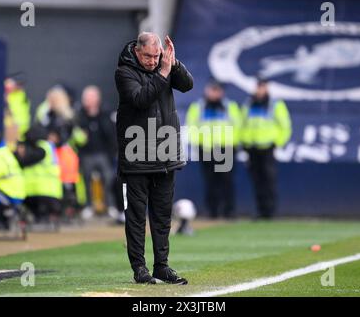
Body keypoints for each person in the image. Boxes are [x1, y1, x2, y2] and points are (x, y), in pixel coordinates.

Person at [115, 32, 193, 284]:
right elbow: (140, 99)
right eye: (147, 56)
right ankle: (139, 268)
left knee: (161, 217)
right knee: (136, 218)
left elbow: (187, 84)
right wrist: (163, 72)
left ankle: (162, 266)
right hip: (136, 157)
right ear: (137, 52)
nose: (152, 61)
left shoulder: (165, 65)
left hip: (165, 155)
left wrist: (174, 63)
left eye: (156, 56)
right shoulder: (124, 72)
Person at [186, 79, 241, 219]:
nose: (215, 93)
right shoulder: (198, 107)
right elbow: (191, 127)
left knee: (226, 181)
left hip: (225, 148)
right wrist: (198, 144)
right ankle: (213, 212)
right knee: (210, 182)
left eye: (218, 90)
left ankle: (229, 212)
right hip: (206, 149)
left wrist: (233, 144)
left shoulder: (230, 107)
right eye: (213, 89)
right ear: (207, 90)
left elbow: (238, 126)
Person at [241, 79, 292, 219]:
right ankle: (260, 210)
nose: (260, 89)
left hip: (267, 148)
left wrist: (277, 143)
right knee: (257, 181)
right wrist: (245, 142)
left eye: (262, 86)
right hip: (252, 148)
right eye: (258, 86)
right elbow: (243, 124)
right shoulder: (249, 104)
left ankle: (270, 211)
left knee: (268, 180)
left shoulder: (275, 104)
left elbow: (285, 126)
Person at [77, 85, 118, 218]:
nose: (87, 100)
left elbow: (111, 134)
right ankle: (89, 206)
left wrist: (113, 151)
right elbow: (77, 134)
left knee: (108, 179)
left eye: (90, 97)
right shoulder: (79, 115)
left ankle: (110, 205)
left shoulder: (105, 113)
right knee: (86, 179)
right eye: (86, 98)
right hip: (86, 154)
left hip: (103, 154)